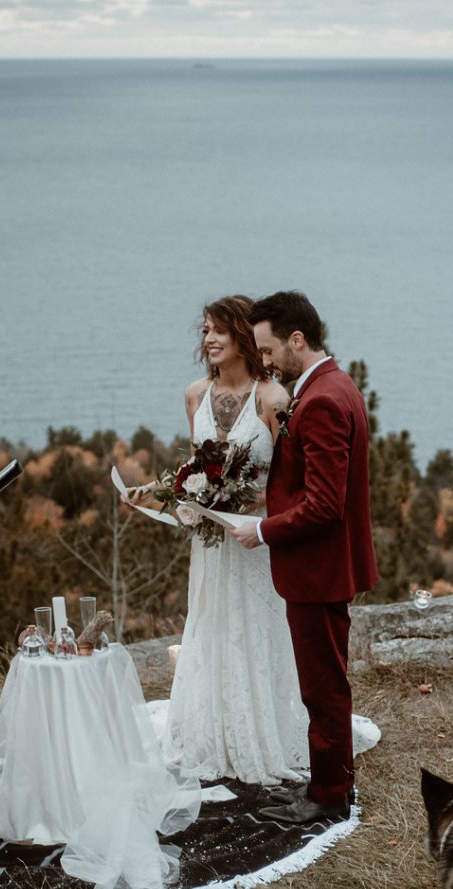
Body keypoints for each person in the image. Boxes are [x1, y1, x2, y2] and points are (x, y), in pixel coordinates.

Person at [230, 291, 378, 823]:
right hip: (324, 567)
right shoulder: (334, 386)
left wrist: (263, 530)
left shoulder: (321, 402)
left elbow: (323, 505)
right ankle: (329, 782)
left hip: (317, 569)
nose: (265, 362)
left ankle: (328, 796)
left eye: (269, 350)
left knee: (323, 688)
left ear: (297, 339)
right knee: (324, 681)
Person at [160, 296, 309, 784]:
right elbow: (193, 466)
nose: (208, 339)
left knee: (257, 631)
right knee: (211, 626)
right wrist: (182, 495)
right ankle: (214, 734)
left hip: (254, 541)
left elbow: (290, 484)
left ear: (243, 335)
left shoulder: (272, 399)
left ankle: (263, 734)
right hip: (209, 542)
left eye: (218, 330)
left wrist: (246, 505)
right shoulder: (194, 394)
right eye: (204, 330)